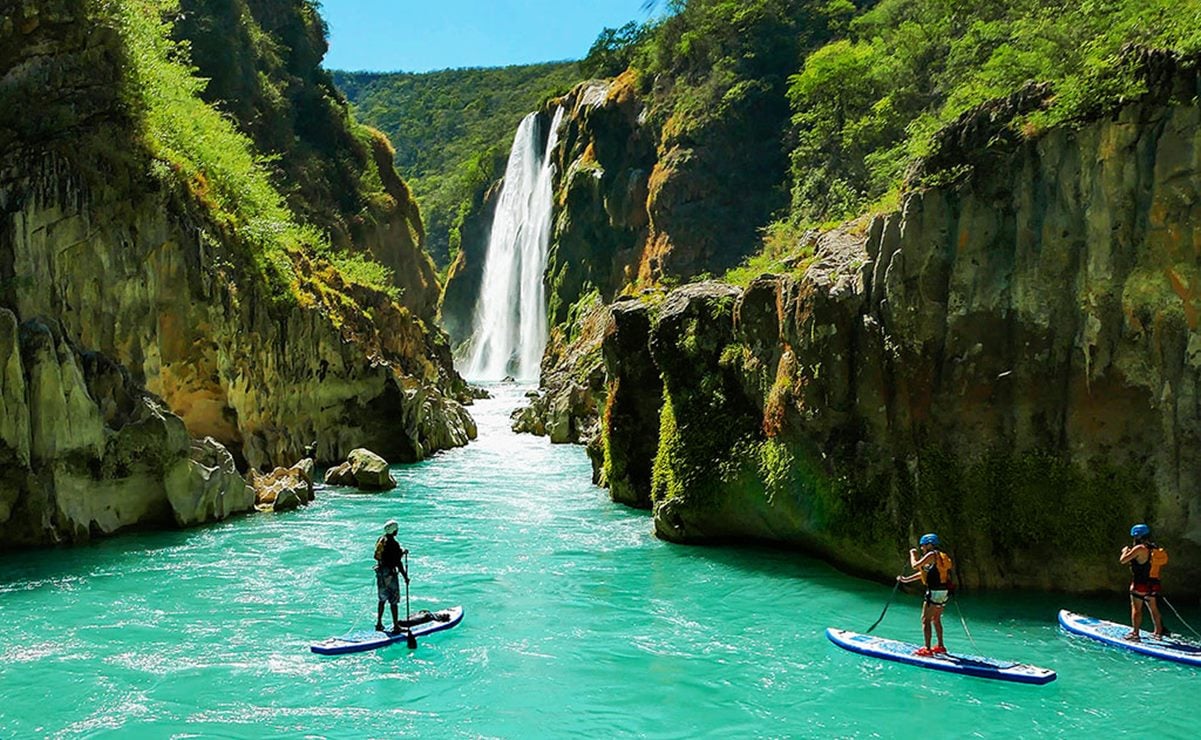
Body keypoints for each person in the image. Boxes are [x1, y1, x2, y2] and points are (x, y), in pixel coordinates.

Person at [897, 533, 954, 656]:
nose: (922, 548)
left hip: (934, 592)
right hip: (943, 591)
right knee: (936, 619)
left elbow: (915, 566)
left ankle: (927, 649)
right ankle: (940, 647)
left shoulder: (931, 554)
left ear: (929, 545)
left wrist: (912, 554)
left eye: (922, 546)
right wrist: (906, 580)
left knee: (925, 619)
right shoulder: (940, 556)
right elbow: (923, 573)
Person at [1119, 523, 1166, 640]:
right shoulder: (1154, 548)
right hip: (1153, 584)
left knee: (1136, 609)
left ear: (1136, 537)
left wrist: (1124, 551)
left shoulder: (1139, 548)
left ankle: (1135, 634)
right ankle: (1158, 632)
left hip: (1140, 584)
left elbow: (1123, 560)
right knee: (1153, 608)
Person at [374, 520, 409, 633]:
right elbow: (398, 562)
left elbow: (385, 555)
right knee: (393, 601)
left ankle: (379, 623)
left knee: (382, 599)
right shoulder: (394, 544)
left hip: (381, 574)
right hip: (390, 575)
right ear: (394, 531)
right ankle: (396, 626)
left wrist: (401, 552)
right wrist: (405, 577)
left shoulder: (381, 540)